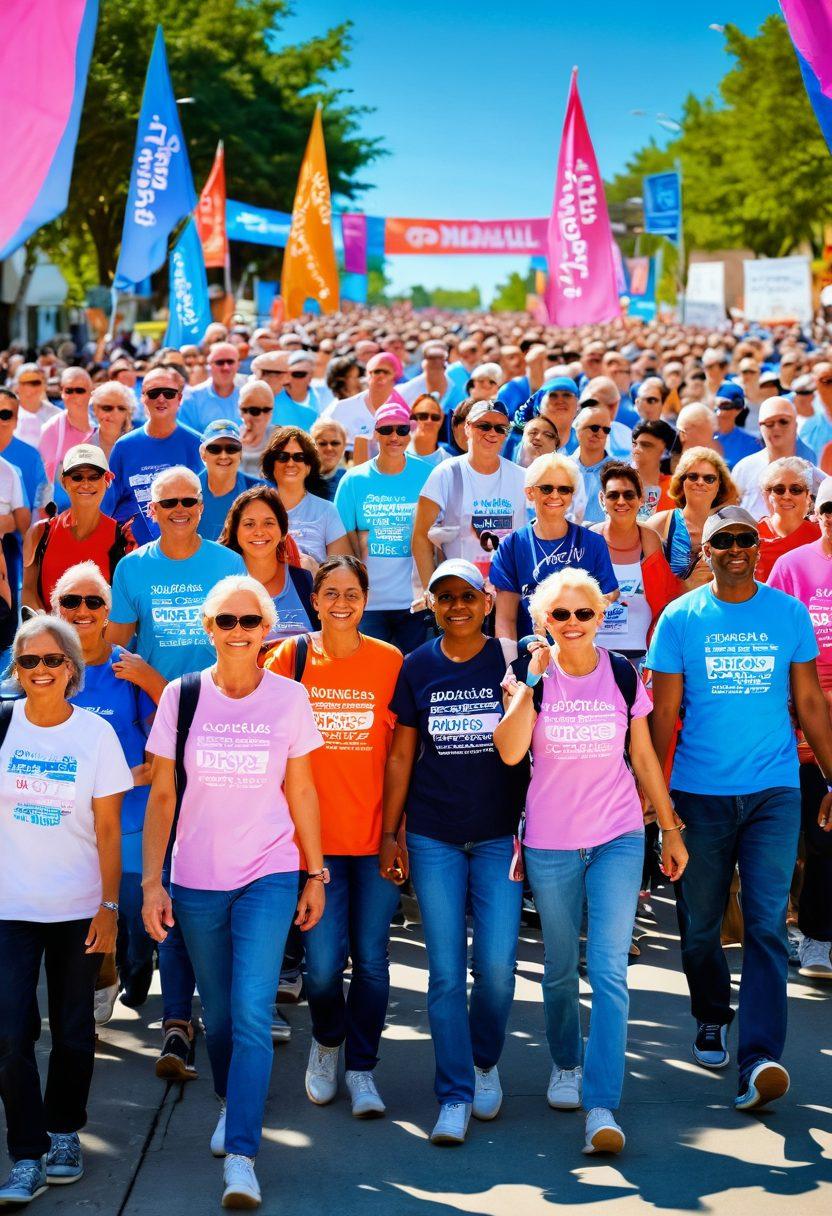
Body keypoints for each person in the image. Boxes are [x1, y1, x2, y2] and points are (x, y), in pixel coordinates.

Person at [141, 575, 325, 1210]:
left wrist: (315, 871)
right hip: (194, 878)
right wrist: (150, 883)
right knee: (217, 1017)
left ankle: (243, 1154)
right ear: (208, 628)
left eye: (251, 622)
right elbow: (163, 795)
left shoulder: (289, 697)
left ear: (266, 629)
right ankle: (231, 1100)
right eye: (227, 621)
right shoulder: (180, 696)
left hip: (269, 871)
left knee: (249, 1012)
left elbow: (301, 790)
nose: (239, 632)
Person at [493, 568, 686, 1156]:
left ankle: (601, 1104)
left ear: (601, 618)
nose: (573, 624)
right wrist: (530, 682)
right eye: (560, 615)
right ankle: (565, 1064)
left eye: (584, 614)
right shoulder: (529, 679)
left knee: (607, 971)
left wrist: (669, 829)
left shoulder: (623, 673)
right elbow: (509, 751)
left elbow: (643, 755)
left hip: (619, 835)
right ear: (543, 621)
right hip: (551, 841)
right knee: (556, 967)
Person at [647, 506, 832, 1111]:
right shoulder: (679, 618)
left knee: (765, 925)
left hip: (775, 791)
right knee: (701, 926)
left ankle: (759, 1058)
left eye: (745, 539)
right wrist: (657, 802)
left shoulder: (787, 613)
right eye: (722, 540)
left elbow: (808, 701)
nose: (735, 548)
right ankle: (709, 1014)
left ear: (759, 547)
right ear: (705, 550)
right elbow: (663, 719)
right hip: (699, 795)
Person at [381, 559, 522, 1145]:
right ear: (431, 605)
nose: (457, 605)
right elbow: (401, 755)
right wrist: (391, 832)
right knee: (444, 972)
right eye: (445, 597)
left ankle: (484, 1060)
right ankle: (454, 1092)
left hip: (498, 834)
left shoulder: (512, 658)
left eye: (468, 595)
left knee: (495, 967)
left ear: (487, 601)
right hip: (434, 835)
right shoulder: (417, 666)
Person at [0, 616, 132, 1205]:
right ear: (17, 670)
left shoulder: (95, 736)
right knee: (9, 1034)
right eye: (30, 662)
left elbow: (109, 829)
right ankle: (26, 1154)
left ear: (73, 668)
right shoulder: (3, 725)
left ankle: (63, 1133)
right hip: (10, 906)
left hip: (79, 908)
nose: (42, 671)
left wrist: (109, 906)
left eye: (54, 661)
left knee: (75, 1033)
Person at [264, 557, 403, 1117]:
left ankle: (363, 1069)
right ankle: (325, 1045)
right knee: (322, 968)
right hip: (311, 847)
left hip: (374, 839)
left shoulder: (389, 661)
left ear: (366, 599)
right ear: (314, 600)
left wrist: (399, 830)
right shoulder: (288, 658)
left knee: (371, 961)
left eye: (352, 593)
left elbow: (402, 753)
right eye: (331, 593)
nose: (341, 602)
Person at [53, 561, 164, 1014]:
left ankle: (135, 971)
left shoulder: (128, 667)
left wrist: (150, 766)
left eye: (94, 601)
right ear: (56, 608)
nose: (82, 610)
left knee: (136, 921)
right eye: (71, 601)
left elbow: (164, 725)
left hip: (133, 818)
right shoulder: (45, 666)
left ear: (108, 610)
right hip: (75, 820)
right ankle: (101, 981)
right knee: (93, 908)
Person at [769, 476, 832, 978]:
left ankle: (817, 934)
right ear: (817, 510)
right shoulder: (793, 564)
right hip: (802, 716)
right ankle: (803, 933)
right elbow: (775, 638)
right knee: (805, 834)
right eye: (829, 507)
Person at [335, 400, 432, 653]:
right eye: (386, 430)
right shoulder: (353, 480)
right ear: (376, 433)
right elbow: (341, 542)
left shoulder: (427, 474)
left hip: (415, 602)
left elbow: (437, 533)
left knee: (413, 673)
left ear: (409, 433)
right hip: (368, 604)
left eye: (401, 430)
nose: (394, 436)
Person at [491, 453, 616, 640]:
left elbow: (607, 597)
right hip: (531, 655)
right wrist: (512, 664)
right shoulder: (512, 545)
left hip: (580, 655)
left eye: (564, 489)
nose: (555, 495)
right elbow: (505, 619)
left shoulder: (593, 543)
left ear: (572, 495)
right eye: (546, 488)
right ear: (530, 492)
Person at [411, 399, 527, 593]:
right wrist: (431, 591)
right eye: (484, 426)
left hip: (507, 592)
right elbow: (420, 536)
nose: (492, 433)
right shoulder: (445, 473)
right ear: (467, 428)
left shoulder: (522, 477)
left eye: (500, 429)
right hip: (458, 590)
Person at [22, 444, 133, 612]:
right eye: (77, 477)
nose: (85, 484)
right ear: (64, 481)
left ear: (107, 480)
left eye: (94, 477)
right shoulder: (39, 533)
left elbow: (126, 601)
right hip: (52, 634)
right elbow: (28, 591)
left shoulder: (123, 537)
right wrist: (50, 628)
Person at [590, 463, 681, 662]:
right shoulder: (589, 539)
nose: (621, 501)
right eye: (613, 495)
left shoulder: (650, 539)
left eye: (629, 495)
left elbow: (664, 597)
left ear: (640, 499)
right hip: (595, 656)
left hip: (644, 655)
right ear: (602, 499)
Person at [108, 368, 202, 547]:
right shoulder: (124, 447)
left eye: (169, 393)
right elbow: (110, 503)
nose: (161, 399)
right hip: (135, 551)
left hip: (186, 547)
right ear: (142, 398)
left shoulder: (197, 444)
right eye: (153, 393)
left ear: (179, 399)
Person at [219, 486, 317, 645]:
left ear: (283, 531)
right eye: (249, 524)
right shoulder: (220, 584)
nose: (259, 532)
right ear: (235, 531)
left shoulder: (303, 580)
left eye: (268, 523)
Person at [646, 447, 737, 587]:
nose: (700, 482)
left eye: (709, 478)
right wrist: (686, 584)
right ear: (682, 482)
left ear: (719, 485)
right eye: (693, 476)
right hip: (672, 607)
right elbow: (646, 580)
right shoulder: (660, 524)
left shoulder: (731, 528)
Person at [261, 427, 350, 565]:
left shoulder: (327, 511)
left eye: (299, 457)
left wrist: (313, 570)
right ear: (271, 465)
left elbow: (342, 569)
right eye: (283, 457)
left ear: (309, 466)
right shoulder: (255, 508)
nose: (290, 463)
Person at [732, 397, 822, 520]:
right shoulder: (745, 467)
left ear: (795, 425)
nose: (776, 427)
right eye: (769, 423)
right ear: (760, 427)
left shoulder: (811, 466)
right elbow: (730, 509)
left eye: (783, 421)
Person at [753, 458, 820, 583]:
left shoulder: (822, 536)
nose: (787, 496)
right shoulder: (751, 536)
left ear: (807, 495)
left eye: (795, 490)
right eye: (779, 489)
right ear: (767, 495)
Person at [322, 351, 403, 451]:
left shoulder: (373, 402)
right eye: (356, 377)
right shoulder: (334, 411)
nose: (360, 381)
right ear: (341, 380)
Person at [196, 420, 259, 542]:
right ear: (203, 453)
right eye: (215, 449)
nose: (224, 456)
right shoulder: (187, 491)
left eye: (231, 448)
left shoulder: (257, 490)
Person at [38, 368, 95, 486]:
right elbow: (42, 477)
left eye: (79, 390)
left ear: (91, 392)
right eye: (69, 390)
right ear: (62, 393)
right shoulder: (50, 429)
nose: (74, 396)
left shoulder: (100, 424)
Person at [179, 342, 241, 433]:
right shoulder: (192, 398)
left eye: (230, 362)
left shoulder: (248, 396)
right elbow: (186, 436)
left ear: (238, 365)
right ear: (209, 365)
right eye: (220, 362)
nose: (226, 367)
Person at [571, 404, 617, 524]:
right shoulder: (562, 467)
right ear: (578, 429)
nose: (600, 433)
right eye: (594, 428)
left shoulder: (618, 471)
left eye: (606, 430)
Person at [630, 420, 675, 520]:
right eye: (635, 444)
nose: (637, 450)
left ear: (665, 451)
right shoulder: (619, 481)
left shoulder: (676, 488)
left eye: (646, 445)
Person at [712, 384, 762, 469]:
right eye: (716, 405)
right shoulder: (703, 436)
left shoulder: (752, 443)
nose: (718, 411)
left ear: (738, 408)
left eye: (725, 405)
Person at [13, 362, 60, 447]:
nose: (29, 388)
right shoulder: (6, 411)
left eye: (35, 383)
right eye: (25, 383)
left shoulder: (57, 415)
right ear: (17, 386)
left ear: (45, 385)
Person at [238, 380, 276, 480]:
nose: (247, 417)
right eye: (243, 410)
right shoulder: (231, 437)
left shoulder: (279, 439)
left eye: (267, 410)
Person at [89, 382, 134, 461]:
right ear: (95, 409)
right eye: (107, 408)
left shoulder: (138, 442)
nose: (115, 413)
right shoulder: (84, 443)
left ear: (128, 412)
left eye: (121, 408)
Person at [408, 394, 450, 468]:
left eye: (435, 417)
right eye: (423, 416)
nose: (429, 421)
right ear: (411, 419)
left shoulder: (450, 463)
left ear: (441, 421)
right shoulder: (396, 454)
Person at [310, 417, 348, 500]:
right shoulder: (300, 477)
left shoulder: (349, 480)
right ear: (311, 446)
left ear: (344, 446)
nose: (329, 448)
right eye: (322, 443)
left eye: (335, 443)